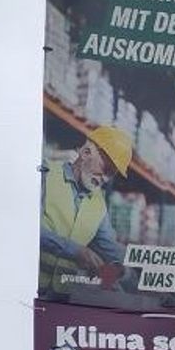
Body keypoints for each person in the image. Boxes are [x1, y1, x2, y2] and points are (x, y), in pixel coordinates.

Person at [40, 126, 131, 294]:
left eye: (111, 174)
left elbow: (114, 253)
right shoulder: (46, 175)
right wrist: (76, 251)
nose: (105, 178)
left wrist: (116, 273)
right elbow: (27, 230)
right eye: (106, 168)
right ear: (86, 152)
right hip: (27, 289)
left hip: (62, 301)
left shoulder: (99, 206)